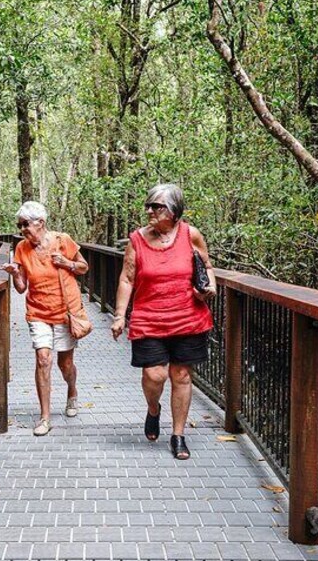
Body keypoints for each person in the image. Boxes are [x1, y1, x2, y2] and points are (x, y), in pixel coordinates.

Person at [111, 184, 216, 459]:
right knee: (154, 375)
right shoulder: (137, 239)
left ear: (173, 211)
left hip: (188, 317)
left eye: (155, 207)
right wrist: (120, 316)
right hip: (149, 318)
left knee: (181, 375)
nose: (149, 211)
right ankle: (153, 409)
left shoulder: (191, 234)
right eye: (148, 206)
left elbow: (206, 266)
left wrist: (210, 287)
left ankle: (178, 435)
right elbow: (127, 278)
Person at [1, 201, 90, 436]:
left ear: (40, 223)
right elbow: (21, 288)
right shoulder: (21, 248)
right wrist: (14, 274)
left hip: (65, 311)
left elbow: (83, 267)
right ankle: (45, 417)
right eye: (19, 225)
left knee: (65, 364)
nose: (22, 230)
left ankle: (72, 391)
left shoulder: (63, 241)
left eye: (25, 224)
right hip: (38, 312)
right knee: (43, 359)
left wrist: (67, 263)